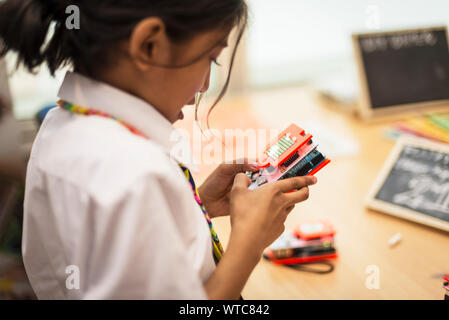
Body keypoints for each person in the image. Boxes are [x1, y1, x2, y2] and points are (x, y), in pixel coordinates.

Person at [0, 0, 317, 299]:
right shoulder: (135, 174)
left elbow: (109, 248)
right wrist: (249, 242)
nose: (204, 86)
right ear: (149, 45)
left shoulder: (60, 125)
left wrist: (194, 206)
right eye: (210, 58)